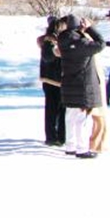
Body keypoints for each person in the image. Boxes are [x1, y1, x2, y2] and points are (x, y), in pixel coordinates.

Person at [56, 14, 105, 159]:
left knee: (70, 116)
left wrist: (81, 31)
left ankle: (70, 146)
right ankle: (82, 148)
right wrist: (89, 29)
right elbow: (101, 43)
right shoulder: (82, 43)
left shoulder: (62, 40)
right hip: (83, 85)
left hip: (69, 83)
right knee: (82, 119)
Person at [38, 16, 65, 146]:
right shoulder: (48, 42)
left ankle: (60, 135)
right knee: (52, 109)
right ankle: (52, 136)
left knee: (61, 109)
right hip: (52, 80)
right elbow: (48, 57)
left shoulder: (51, 41)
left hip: (57, 79)